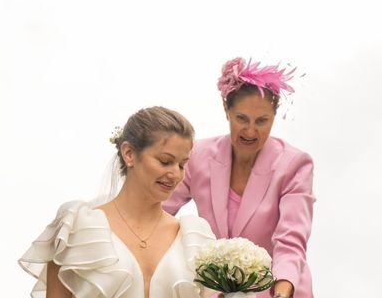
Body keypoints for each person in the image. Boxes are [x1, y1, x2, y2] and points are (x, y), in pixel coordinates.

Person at [19, 106, 216, 298]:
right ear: (129, 153)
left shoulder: (194, 237)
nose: (175, 174)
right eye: (165, 161)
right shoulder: (77, 228)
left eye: (182, 165)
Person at [163, 58, 315, 298]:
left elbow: (290, 241)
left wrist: (283, 292)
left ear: (274, 116)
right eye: (242, 119)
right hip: (215, 292)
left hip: (278, 288)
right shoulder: (197, 155)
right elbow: (159, 210)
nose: (251, 131)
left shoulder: (295, 165)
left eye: (262, 121)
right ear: (226, 109)